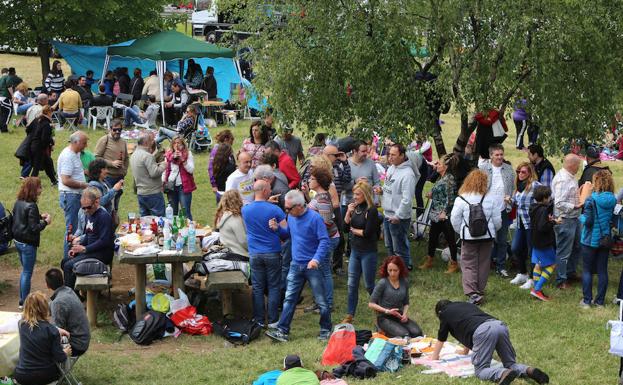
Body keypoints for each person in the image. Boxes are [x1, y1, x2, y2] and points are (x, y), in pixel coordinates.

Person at [431, 300, 550, 385]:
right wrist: (464, 351)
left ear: (439, 313)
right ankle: (529, 370)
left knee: (481, 370)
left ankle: (502, 373)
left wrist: (434, 357)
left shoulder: (445, 314)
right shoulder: (463, 304)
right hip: (498, 325)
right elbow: (467, 328)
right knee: (510, 363)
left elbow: (441, 338)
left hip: (483, 331)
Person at [266, 190, 331, 342]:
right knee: (289, 299)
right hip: (296, 264)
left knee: (321, 300)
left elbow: (324, 241)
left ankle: (325, 329)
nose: (286, 211)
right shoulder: (291, 216)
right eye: (285, 208)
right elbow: (287, 234)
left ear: (299, 206)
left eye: (288, 208)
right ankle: (282, 331)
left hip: (313, 266)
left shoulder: (315, 218)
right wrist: (277, 229)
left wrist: (316, 259)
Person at [451, 169, 502, 305]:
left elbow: (455, 219)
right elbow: (497, 221)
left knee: (468, 263)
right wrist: (491, 230)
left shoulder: (461, 198)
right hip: (487, 236)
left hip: (468, 236)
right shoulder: (491, 198)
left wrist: (461, 231)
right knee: (484, 263)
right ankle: (479, 289)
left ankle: (472, 292)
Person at [242, 180, 287, 327]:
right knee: (274, 286)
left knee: (257, 287)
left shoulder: (246, 210)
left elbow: (255, 205)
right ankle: (273, 320)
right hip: (272, 252)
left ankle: (259, 320)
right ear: (265, 191)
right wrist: (277, 229)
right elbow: (286, 233)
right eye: (269, 189)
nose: (271, 191)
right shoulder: (275, 211)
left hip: (255, 253)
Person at [13, 291, 70, 385]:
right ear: (45, 308)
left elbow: (37, 329)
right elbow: (59, 357)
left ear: (26, 308)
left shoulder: (21, 325)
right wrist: (65, 352)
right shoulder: (51, 331)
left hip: (22, 376)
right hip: (45, 376)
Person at [342, 181, 379, 324]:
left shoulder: (372, 210)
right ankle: (350, 314)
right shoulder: (355, 208)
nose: (355, 197)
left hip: (368, 252)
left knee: (369, 284)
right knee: (352, 284)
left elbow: (369, 233)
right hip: (355, 251)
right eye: (354, 194)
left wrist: (355, 230)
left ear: (365, 194)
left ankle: (380, 309)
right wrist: (348, 213)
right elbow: (345, 229)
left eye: (358, 194)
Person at [12, 177, 51, 309]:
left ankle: (21, 300)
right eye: (40, 187)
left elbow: (22, 217)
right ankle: (24, 302)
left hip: (18, 241)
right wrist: (46, 222)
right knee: (27, 273)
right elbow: (34, 228)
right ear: (34, 190)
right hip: (28, 244)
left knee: (24, 272)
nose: (41, 189)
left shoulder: (18, 202)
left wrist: (39, 216)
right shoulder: (32, 205)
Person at [63, 187, 114, 289]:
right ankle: (77, 294)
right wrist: (78, 249)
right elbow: (88, 235)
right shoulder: (89, 214)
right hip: (91, 251)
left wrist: (85, 249)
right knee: (64, 262)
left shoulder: (104, 217)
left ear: (97, 202)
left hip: (102, 254)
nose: (86, 210)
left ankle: (71, 297)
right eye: (83, 208)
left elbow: (104, 241)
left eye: (88, 207)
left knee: (68, 266)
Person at [579, 170, 616, 308]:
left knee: (587, 270)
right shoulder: (612, 199)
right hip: (605, 238)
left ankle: (587, 301)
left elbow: (588, 222)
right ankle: (600, 301)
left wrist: (580, 217)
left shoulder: (591, 199)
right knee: (602, 271)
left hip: (589, 240)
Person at [479, 144, 515, 278]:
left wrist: (509, 199)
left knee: (502, 239)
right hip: (485, 209)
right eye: (497, 155)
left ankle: (501, 266)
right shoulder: (483, 169)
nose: (500, 157)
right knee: (485, 238)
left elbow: (512, 188)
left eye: (501, 154)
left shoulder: (509, 170)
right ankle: (485, 265)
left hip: (502, 210)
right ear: (491, 156)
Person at [307, 167, 340, 311]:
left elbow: (326, 222)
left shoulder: (323, 199)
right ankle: (321, 301)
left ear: (319, 181)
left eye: (312, 178)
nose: (309, 180)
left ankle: (328, 303)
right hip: (322, 239)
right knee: (320, 271)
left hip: (327, 239)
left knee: (324, 271)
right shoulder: (319, 196)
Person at [420, 154, 458, 272]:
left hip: (444, 215)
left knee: (450, 239)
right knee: (432, 237)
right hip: (436, 212)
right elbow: (439, 191)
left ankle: (454, 263)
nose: (437, 165)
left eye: (439, 164)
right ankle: (430, 259)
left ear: (446, 167)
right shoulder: (441, 177)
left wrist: (445, 213)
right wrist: (432, 193)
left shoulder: (450, 179)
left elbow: (451, 198)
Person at [380, 143, 415, 270]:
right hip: (387, 214)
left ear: (402, 155)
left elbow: (407, 199)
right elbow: (388, 187)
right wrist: (381, 190)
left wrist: (398, 216)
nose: (390, 157)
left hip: (398, 218)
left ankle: (403, 272)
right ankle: (392, 270)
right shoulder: (391, 168)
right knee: (389, 246)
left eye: (394, 155)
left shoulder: (408, 174)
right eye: (389, 154)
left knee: (399, 248)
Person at [368, 255, 423, 338]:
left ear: (400, 269)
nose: (392, 273)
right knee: (404, 335)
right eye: (390, 270)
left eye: (395, 270)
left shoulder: (404, 282)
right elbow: (371, 304)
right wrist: (387, 311)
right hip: (384, 317)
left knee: (417, 333)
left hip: (399, 316)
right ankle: (382, 330)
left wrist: (404, 314)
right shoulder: (383, 283)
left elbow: (406, 303)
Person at [552, 154, 583, 289]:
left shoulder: (570, 176)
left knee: (576, 247)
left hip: (574, 218)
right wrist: (574, 206)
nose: (579, 168)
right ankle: (561, 280)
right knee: (564, 250)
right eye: (578, 165)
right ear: (572, 165)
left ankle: (570, 273)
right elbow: (558, 202)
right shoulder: (563, 180)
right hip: (565, 219)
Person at [507, 162, 540, 288]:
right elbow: (517, 201)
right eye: (518, 171)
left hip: (531, 224)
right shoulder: (519, 186)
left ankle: (532, 278)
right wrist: (509, 200)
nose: (520, 174)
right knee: (515, 248)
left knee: (532, 251)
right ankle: (522, 273)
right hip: (521, 223)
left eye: (523, 172)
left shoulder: (535, 186)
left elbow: (547, 199)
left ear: (530, 173)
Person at [57, 131, 89, 257]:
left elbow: (76, 172)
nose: (86, 145)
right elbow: (66, 179)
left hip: (74, 195)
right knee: (72, 229)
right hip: (71, 196)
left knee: (76, 227)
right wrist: (84, 185)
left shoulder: (75, 153)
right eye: (84, 143)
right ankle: (68, 260)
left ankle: (74, 255)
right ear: (76, 142)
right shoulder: (68, 156)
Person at [45, 268, 90, 356]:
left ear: (47, 285)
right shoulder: (68, 290)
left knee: (39, 344)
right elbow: (50, 306)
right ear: (63, 280)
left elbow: (56, 332)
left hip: (76, 345)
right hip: (83, 340)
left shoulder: (58, 302)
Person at [529, 186, 560, 301]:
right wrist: (553, 222)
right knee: (552, 265)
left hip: (535, 241)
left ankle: (538, 291)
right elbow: (543, 227)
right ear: (545, 198)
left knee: (538, 265)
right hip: (544, 242)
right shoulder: (544, 210)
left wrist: (549, 220)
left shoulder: (533, 207)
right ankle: (537, 289)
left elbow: (538, 223)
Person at [94, 120, 128, 211]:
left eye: (119, 130)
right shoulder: (104, 140)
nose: (117, 132)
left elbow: (127, 158)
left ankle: (115, 214)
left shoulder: (123, 141)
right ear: (110, 129)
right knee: (107, 202)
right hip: (108, 177)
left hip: (120, 177)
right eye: (115, 129)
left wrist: (125, 171)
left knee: (117, 199)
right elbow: (96, 157)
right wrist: (111, 163)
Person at [130, 131, 166, 216]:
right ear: (146, 142)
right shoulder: (147, 156)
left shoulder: (134, 155)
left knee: (144, 222)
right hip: (153, 193)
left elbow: (144, 169)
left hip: (141, 193)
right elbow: (154, 173)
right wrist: (164, 165)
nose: (153, 142)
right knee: (158, 220)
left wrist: (156, 165)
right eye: (151, 140)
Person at [162, 136, 196, 220]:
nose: (176, 145)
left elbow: (191, 170)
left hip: (183, 186)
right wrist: (162, 182)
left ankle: (189, 231)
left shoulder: (188, 154)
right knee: (172, 213)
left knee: (186, 213)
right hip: (171, 186)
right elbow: (165, 170)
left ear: (183, 145)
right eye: (174, 143)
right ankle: (173, 231)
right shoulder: (168, 155)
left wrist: (182, 160)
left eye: (179, 143)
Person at [28, 106, 58, 185]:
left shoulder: (38, 120)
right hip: (39, 148)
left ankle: (54, 181)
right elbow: (45, 139)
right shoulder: (46, 124)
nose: (51, 114)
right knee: (36, 168)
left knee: (48, 163)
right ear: (48, 112)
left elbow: (28, 129)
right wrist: (52, 142)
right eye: (51, 112)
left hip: (34, 146)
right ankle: (30, 185)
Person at [214, 190, 248, 257]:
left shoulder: (222, 215)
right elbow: (243, 241)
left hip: (228, 252)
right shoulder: (234, 218)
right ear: (238, 201)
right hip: (240, 254)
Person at [208, 130, 235, 195]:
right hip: (221, 183)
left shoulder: (227, 149)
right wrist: (213, 184)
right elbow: (211, 167)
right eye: (231, 140)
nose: (232, 143)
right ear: (226, 139)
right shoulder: (216, 149)